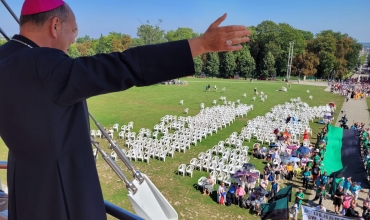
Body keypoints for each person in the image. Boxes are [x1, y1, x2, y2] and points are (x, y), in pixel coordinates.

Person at [0, 0, 251, 219]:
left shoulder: (5, 57)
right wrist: (200, 45)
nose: (72, 41)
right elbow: (121, 67)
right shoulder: (45, 63)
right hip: (64, 197)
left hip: (25, 189)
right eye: (73, 32)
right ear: (55, 26)